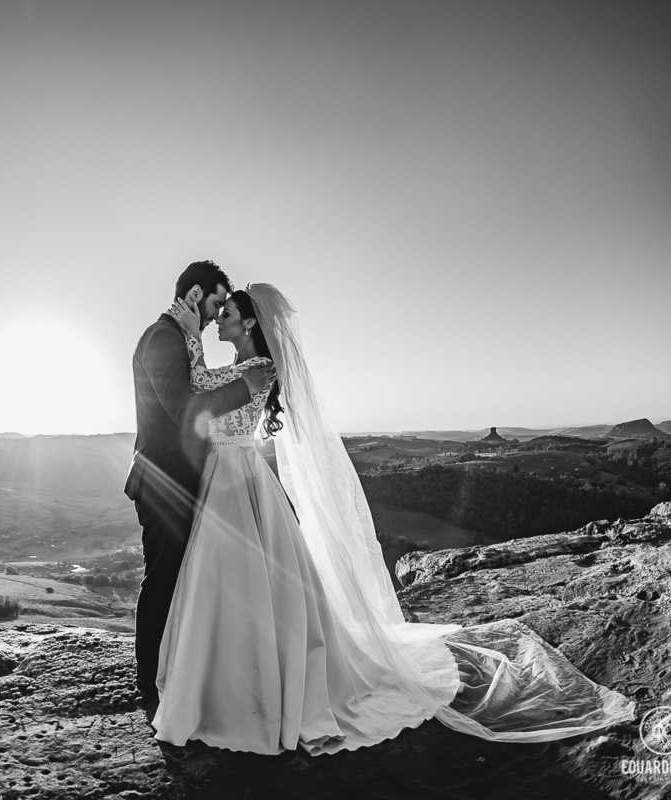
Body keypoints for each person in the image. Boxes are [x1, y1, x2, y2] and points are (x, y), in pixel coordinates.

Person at [152, 283, 635, 754]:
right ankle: (230, 678)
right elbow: (205, 392)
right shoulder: (241, 365)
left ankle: (249, 687)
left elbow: (197, 387)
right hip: (228, 475)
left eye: (228, 313)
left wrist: (188, 330)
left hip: (236, 474)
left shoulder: (257, 366)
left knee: (245, 580)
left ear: (250, 321)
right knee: (232, 581)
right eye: (219, 314)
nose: (220, 318)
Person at [125, 261, 277, 703]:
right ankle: (152, 689)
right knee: (164, 581)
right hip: (163, 484)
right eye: (213, 304)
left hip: (190, 480)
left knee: (188, 582)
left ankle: (189, 677)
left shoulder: (183, 340)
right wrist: (245, 387)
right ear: (194, 296)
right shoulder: (161, 338)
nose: (214, 316)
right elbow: (185, 410)